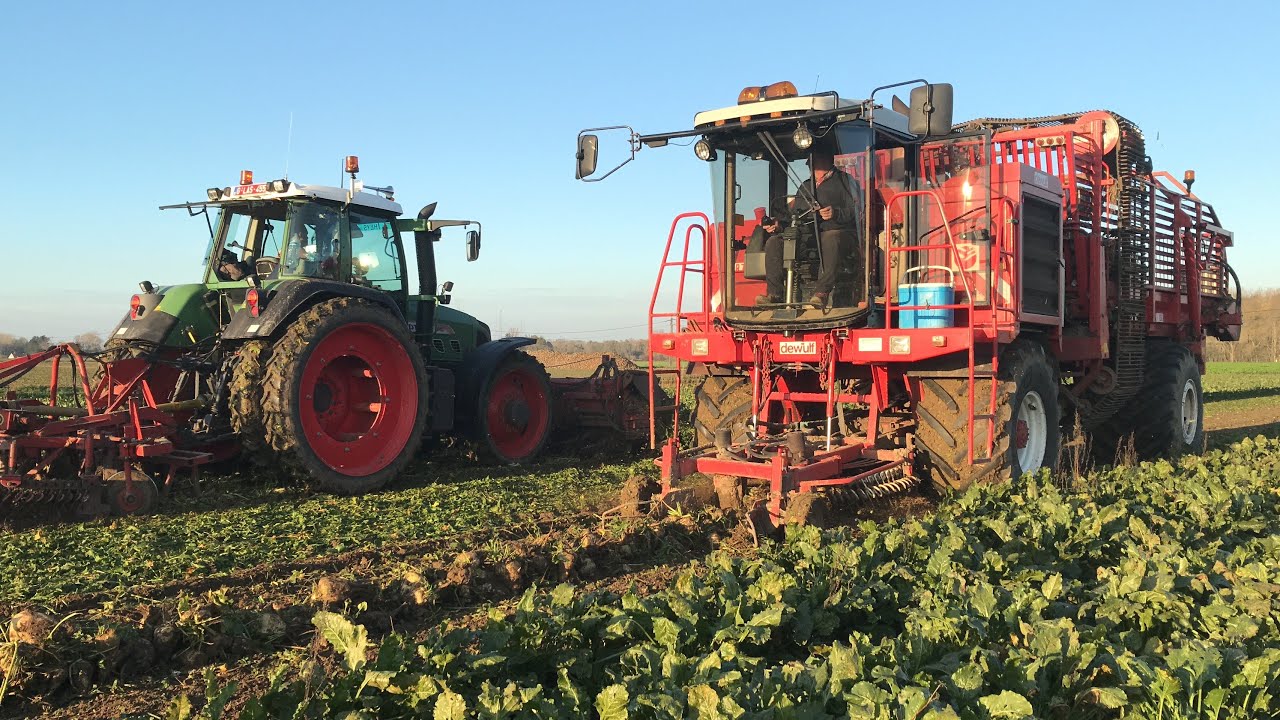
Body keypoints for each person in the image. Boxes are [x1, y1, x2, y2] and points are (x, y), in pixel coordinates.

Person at [754, 152, 861, 308]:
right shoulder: (805, 186)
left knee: (830, 238)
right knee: (774, 242)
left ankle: (821, 294)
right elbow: (794, 216)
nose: (809, 165)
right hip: (808, 236)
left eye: (812, 161)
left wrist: (835, 213)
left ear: (824, 160)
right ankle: (775, 294)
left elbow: (858, 210)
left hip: (840, 235)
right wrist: (778, 225)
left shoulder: (845, 181)